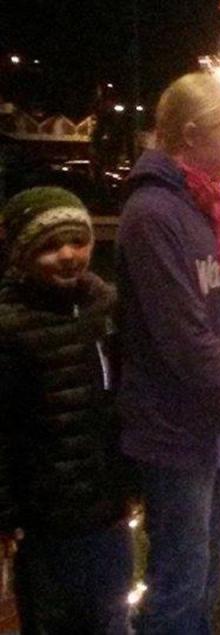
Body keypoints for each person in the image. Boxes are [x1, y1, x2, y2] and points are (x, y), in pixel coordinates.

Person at [116, 72, 220, 633]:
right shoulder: (152, 215)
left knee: (207, 578)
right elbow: (184, 338)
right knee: (179, 582)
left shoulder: (216, 209)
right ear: (189, 136)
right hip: (175, 432)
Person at [0, 187, 134, 634]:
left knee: (111, 616)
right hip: (45, 521)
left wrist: (131, 480)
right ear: (21, 254)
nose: (67, 255)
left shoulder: (104, 305)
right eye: (49, 246)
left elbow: (124, 397)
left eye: (78, 242)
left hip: (106, 507)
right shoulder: (10, 325)